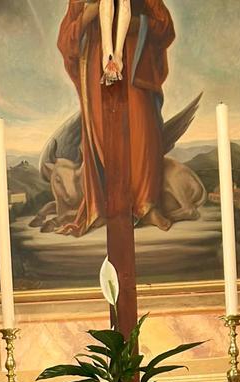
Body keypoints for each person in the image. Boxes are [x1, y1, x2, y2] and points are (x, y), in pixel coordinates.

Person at [54, 0, 176, 235]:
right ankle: (107, 207)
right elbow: (65, 40)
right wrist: (88, 15)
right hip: (96, 69)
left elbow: (165, 27)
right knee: (102, 135)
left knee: (142, 134)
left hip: (136, 67)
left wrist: (136, 25)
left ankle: (146, 204)